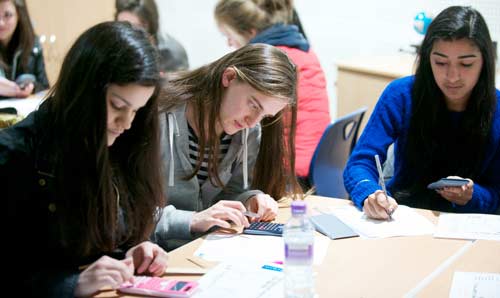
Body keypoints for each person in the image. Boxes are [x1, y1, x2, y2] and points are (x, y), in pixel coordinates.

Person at [1, 21, 169, 297]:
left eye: (137, 110)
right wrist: (72, 285)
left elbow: (104, 241)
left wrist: (131, 252)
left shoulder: (123, 143)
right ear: (84, 91)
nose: (126, 123)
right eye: (118, 106)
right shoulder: (14, 157)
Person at [343, 6, 500, 219]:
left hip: (471, 226)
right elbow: (360, 163)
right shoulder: (401, 94)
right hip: (404, 215)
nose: (452, 76)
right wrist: (371, 193)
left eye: (466, 64)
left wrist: (472, 196)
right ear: (427, 59)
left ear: (485, 62)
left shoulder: (496, 108)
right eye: (441, 62)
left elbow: (497, 193)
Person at [152, 43, 302, 250]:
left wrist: (249, 200)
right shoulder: (158, 114)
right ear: (229, 78)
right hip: (152, 254)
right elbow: (125, 213)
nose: (252, 121)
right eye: (254, 105)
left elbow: (226, 195)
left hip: (199, 250)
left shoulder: (248, 130)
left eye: (265, 115)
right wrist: (191, 220)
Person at [214, 0, 331, 190]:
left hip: (288, 170)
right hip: (315, 162)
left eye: (229, 35)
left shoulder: (272, 64)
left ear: (250, 32)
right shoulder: (304, 50)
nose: (229, 42)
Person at [115, 0, 189, 73]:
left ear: (152, 25)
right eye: (123, 26)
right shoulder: (115, 47)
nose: (128, 33)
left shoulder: (172, 53)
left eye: (137, 28)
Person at [0, 0, 48, 98]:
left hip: (24, 109)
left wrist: (31, 87)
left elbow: (44, 85)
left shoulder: (32, 43)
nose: (1, 23)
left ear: (19, 15)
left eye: (7, 15)